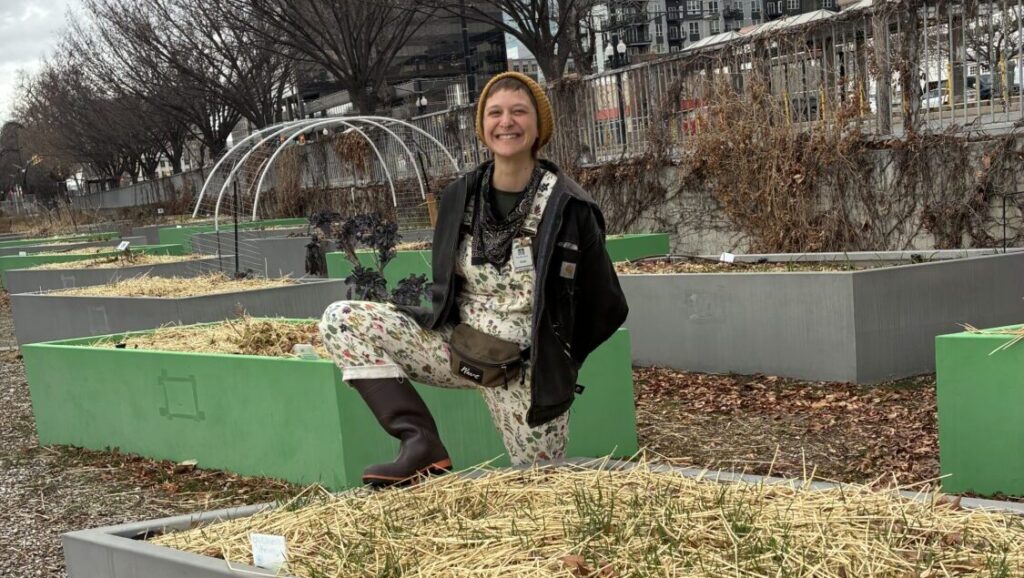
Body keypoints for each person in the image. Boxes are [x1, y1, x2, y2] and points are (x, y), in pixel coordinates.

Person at [319, 71, 628, 487]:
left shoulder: (569, 206)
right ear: (482, 125)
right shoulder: (459, 195)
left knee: (541, 489)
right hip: (456, 347)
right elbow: (448, 281)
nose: (507, 122)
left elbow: (606, 304)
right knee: (342, 320)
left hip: (523, 370)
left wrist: (556, 357)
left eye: (519, 112)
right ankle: (420, 443)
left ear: (539, 127)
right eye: (495, 112)